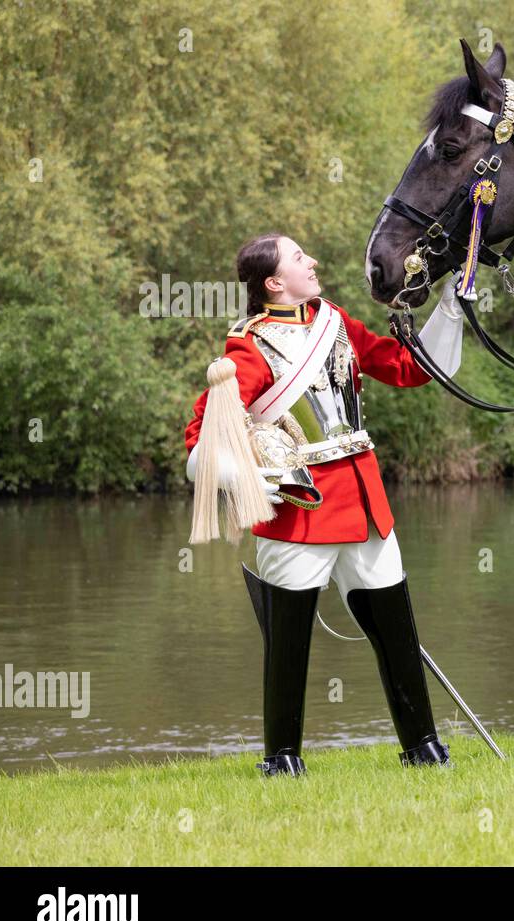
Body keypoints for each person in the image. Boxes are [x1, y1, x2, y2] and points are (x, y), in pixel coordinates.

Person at [184, 233, 451, 776]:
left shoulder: (333, 319)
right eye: (300, 258)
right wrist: (252, 476)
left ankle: (422, 746)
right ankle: (282, 759)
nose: (314, 262)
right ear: (274, 283)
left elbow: (407, 368)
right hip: (301, 509)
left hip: (366, 501)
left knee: (398, 631)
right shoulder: (248, 346)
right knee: (289, 645)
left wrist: (452, 308)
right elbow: (204, 432)